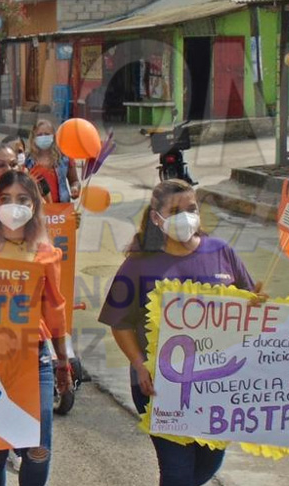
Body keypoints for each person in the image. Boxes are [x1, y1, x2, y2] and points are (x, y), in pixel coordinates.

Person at [99, 179, 259, 486]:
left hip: (217, 384)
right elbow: (119, 323)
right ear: (157, 217)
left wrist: (258, 303)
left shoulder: (222, 252)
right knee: (177, 471)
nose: (185, 216)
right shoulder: (139, 264)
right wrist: (138, 364)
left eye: (191, 208)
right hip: (159, 383)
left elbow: (248, 306)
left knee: (209, 462)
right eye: (175, 210)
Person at [0, 169, 70, 486]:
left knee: (39, 449)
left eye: (22, 199)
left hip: (35, 359)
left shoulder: (47, 254)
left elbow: (55, 308)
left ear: (35, 206)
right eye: (5, 199)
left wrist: (63, 360)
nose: (14, 206)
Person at [27, 118, 79, 204]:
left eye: (47, 134)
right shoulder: (27, 161)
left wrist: (75, 188)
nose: (43, 137)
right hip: (36, 208)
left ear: (54, 136)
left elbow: (74, 181)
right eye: (39, 135)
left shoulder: (64, 158)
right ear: (33, 137)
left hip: (61, 210)